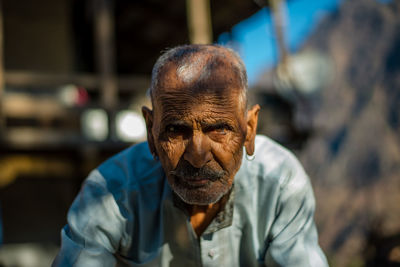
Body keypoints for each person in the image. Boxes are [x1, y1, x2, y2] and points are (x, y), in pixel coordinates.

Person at [53, 44, 328, 266]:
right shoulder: (109, 193)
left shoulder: (280, 183)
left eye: (219, 129)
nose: (197, 156)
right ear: (151, 131)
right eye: (175, 129)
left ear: (250, 129)